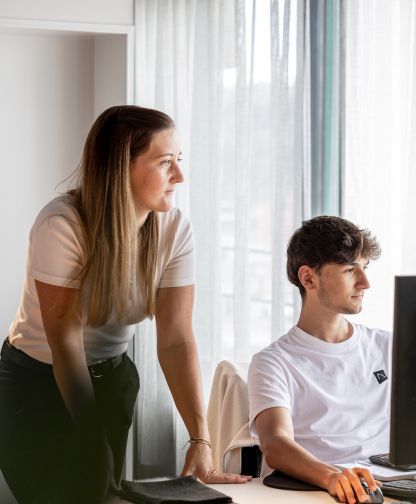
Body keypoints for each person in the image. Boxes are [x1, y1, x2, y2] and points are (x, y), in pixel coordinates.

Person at [0, 105, 250, 504]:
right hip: (35, 384)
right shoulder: (61, 225)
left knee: (99, 497)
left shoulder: (174, 228)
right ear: (121, 167)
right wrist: (90, 438)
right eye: (165, 162)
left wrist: (200, 439)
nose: (179, 176)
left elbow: (176, 339)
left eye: (179, 160)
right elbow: (66, 344)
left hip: (112, 380)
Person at [248, 215, 390, 504]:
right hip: (321, 491)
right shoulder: (273, 363)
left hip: (389, 489)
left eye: (364, 268)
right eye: (350, 270)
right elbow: (276, 445)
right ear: (308, 278)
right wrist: (332, 478)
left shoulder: (389, 347)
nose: (365, 283)